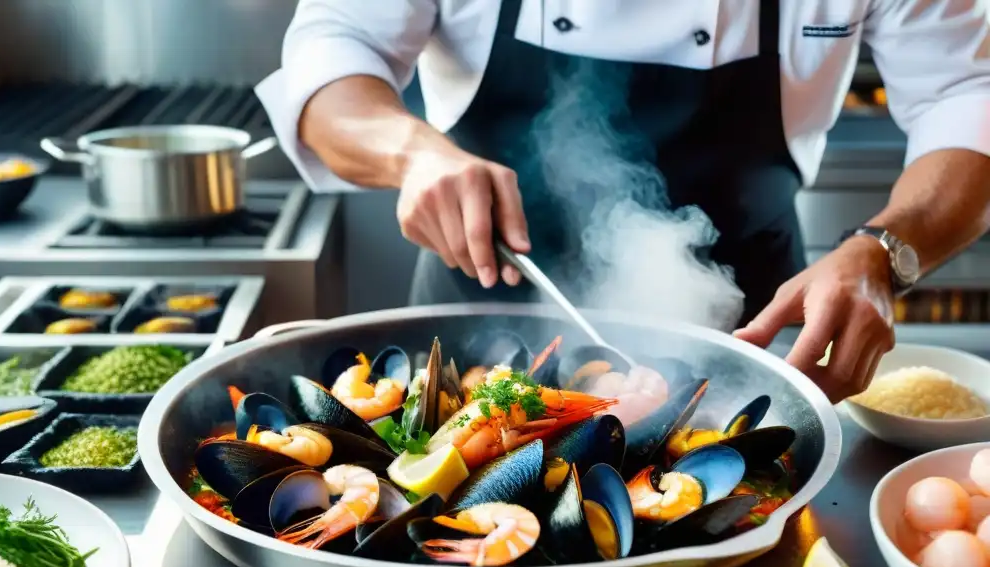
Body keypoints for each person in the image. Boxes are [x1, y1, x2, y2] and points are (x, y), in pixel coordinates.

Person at [257, 1, 990, 403]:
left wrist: (885, 251)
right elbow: (333, 51)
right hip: (474, 337)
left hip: (758, 342)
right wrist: (409, 153)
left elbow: (968, 93)